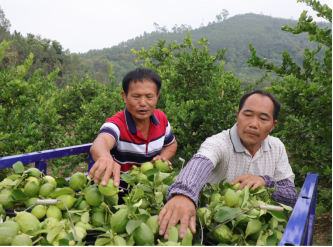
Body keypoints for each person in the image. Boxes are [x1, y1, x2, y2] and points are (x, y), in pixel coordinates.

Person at [158, 90, 298, 240]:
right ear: (238, 116)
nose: (253, 124)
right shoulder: (219, 143)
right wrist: (184, 194)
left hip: (254, 233)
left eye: (263, 118)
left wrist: (264, 182)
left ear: (273, 125)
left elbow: (290, 196)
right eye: (247, 115)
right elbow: (201, 162)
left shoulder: (276, 147)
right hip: (214, 231)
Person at [89, 68, 178, 188]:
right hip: (119, 192)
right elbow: (101, 141)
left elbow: (171, 144)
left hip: (151, 190)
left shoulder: (161, 119)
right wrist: (105, 156)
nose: (142, 103)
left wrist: (163, 157)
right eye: (136, 97)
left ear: (157, 96)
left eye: (149, 97)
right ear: (124, 97)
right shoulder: (117, 124)